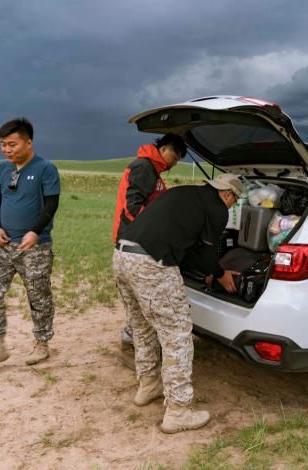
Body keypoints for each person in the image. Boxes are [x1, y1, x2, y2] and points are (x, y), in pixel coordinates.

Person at [112, 174, 241, 433]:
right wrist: (219, 273)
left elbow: (188, 245)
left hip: (122, 256)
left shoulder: (185, 194)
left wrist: (207, 269)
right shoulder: (216, 208)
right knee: (177, 332)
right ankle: (179, 411)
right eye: (234, 201)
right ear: (229, 194)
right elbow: (205, 252)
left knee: (142, 326)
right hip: (151, 263)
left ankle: (148, 385)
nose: (232, 206)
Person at [0, 118, 61, 372]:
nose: (7, 150)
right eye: (3, 145)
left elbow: (51, 204)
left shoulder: (46, 169)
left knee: (38, 297)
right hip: (3, 244)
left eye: (12, 144)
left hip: (35, 246)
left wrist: (35, 231)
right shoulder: (2, 169)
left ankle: (42, 343)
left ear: (28, 142)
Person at [111, 134, 187, 351]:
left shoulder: (152, 170)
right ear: (163, 149)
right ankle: (134, 337)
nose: (175, 161)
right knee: (145, 294)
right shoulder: (144, 167)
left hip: (137, 239)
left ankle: (132, 334)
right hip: (135, 241)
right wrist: (155, 231)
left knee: (139, 295)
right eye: (175, 155)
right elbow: (132, 206)